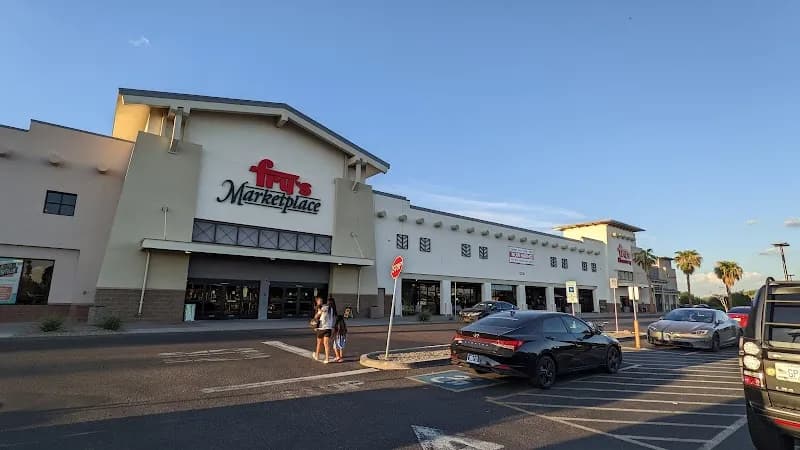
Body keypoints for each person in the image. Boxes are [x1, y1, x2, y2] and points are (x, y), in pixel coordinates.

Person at [313, 296, 335, 363]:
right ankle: (327, 359)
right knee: (326, 344)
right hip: (328, 328)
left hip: (321, 328)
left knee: (319, 343)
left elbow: (316, 317)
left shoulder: (322, 308)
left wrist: (316, 314)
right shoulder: (331, 309)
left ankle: (317, 356)